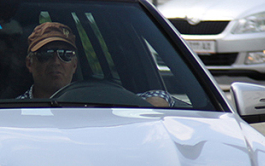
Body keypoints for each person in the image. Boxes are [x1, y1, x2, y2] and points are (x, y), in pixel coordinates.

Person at [14, 22, 174, 107]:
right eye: (45, 54)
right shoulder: (16, 110)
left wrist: (159, 102)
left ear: (75, 65)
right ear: (30, 63)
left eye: (66, 55)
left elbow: (155, 97)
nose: (56, 62)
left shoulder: (93, 101)